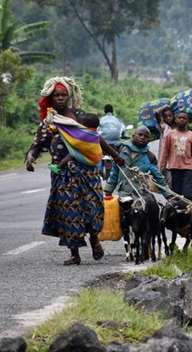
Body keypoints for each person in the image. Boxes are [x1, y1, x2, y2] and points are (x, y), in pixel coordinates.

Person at [25, 77, 122, 266]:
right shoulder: (48, 121)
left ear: (69, 97)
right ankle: (74, 254)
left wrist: (115, 155)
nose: (60, 98)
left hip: (87, 171)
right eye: (56, 95)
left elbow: (96, 138)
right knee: (69, 212)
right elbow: (37, 144)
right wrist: (31, 157)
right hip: (62, 174)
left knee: (92, 207)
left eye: (64, 95)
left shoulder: (80, 115)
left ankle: (94, 239)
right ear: (51, 98)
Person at [103, 126, 172, 200]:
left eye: (146, 136)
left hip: (141, 194)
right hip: (123, 193)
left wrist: (169, 196)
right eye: (140, 134)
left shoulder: (150, 157)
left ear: (149, 140)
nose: (142, 137)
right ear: (133, 136)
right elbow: (115, 172)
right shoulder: (122, 150)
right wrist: (108, 191)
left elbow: (159, 179)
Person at [159, 111, 192, 201]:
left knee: (188, 193)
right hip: (174, 168)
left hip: (187, 168)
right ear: (175, 119)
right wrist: (161, 167)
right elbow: (165, 152)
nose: (181, 119)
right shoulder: (170, 134)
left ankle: (191, 212)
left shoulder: (191, 135)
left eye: (184, 118)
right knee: (176, 194)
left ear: (187, 121)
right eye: (179, 118)